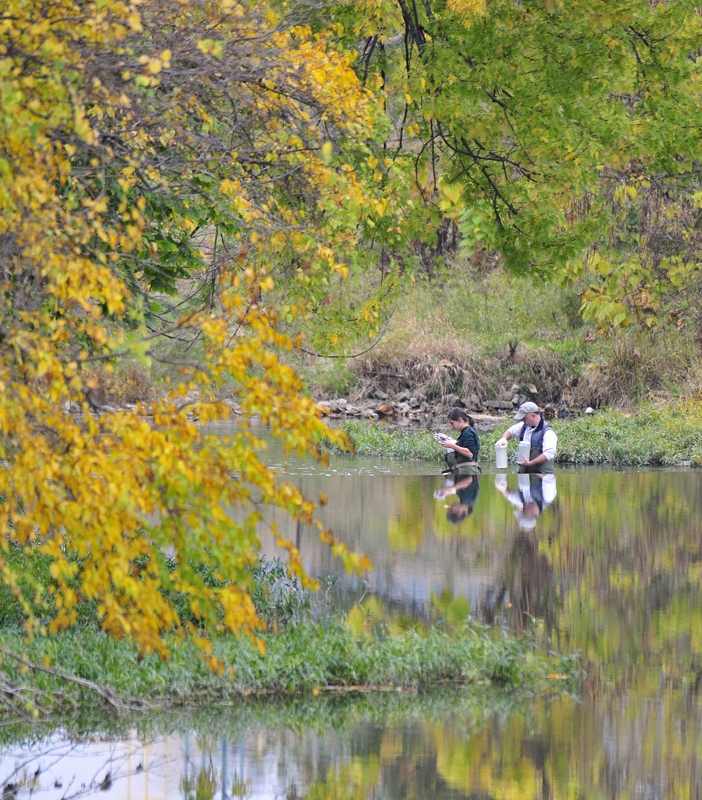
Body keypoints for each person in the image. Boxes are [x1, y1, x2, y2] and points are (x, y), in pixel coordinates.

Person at [496, 401, 557, 474]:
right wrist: (504, 438)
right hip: (525, 478)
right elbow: (511, 431)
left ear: (533, 416)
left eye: (524, 418)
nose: (522, 420)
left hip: (543, 478)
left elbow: (549, 454)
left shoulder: (548, 433)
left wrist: (530, 464)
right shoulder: (524, 426)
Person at [438, 407, 481, 476]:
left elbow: (470, 453)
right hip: (465, 473)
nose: (451, 427)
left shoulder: (468, 432)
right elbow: (464, 446)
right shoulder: (466, 432)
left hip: (469, 474)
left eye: (452, 423)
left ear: (460, 420)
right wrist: (451, 441)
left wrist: (452, 445)